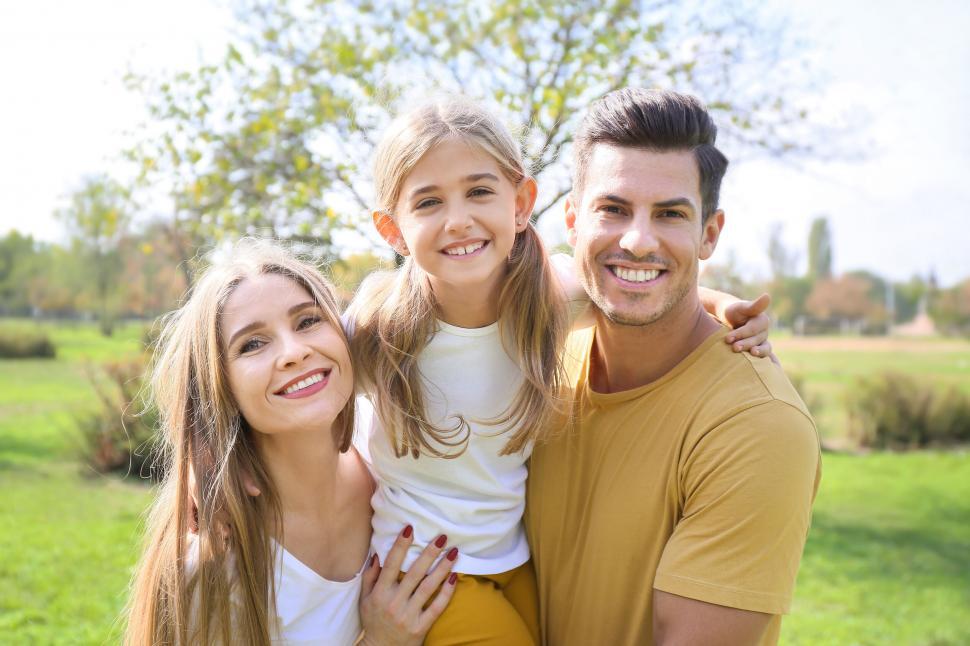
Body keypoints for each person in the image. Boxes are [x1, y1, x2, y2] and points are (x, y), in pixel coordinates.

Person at [347, 97, 775, 645]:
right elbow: (283, 389)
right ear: (392, 229)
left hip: (513, 562)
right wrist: (211, 467)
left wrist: (727, 307)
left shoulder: (543, 299)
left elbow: (635, 276)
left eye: (480, 192)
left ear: (522, 203)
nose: (459, 220)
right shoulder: (376, 328)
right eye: (428, 202)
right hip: (427, 576)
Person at [525, 88, 822, 646]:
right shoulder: (541, 357)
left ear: (709, 233)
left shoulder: (758, 425)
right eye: (612, 209)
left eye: (670, 214)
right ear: (572, 220)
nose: (637, 241)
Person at [124, 240, 458, 646]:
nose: (294, 353)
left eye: (307, 321)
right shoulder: (212, 565)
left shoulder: (389, 445)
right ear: (219, 389)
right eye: (252, 344)